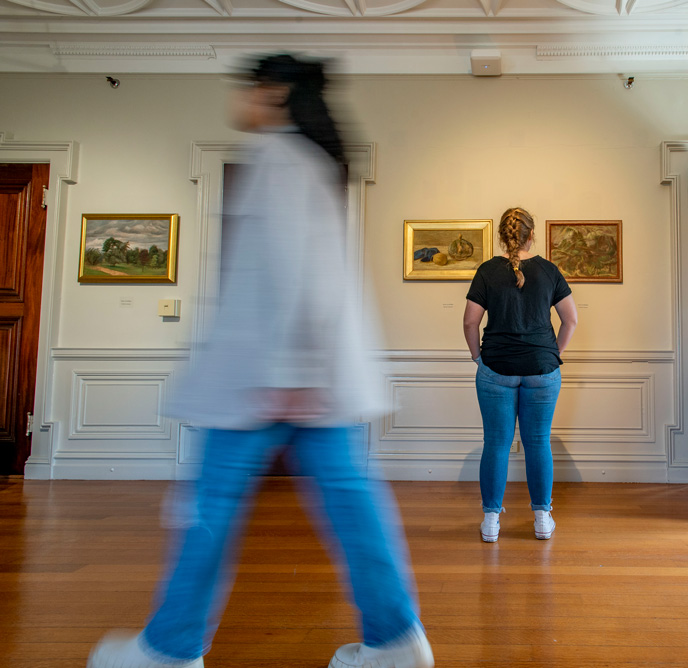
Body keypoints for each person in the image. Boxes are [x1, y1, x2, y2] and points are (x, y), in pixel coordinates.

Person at [87, 54, 433, 668]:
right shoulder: (312, 163)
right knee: (352, 505)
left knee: (209, 510)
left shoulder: (279, 158)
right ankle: (396, 640)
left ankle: (168, 649)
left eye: (244, 88)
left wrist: (285, 376)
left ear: (272, 94)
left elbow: (294, 275)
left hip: (266, 385)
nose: (237, 99)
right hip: (307, 380)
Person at [463, 207, 579, 543]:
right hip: (542, 369)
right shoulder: (548, 270)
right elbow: (570, 320)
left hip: (496, 367)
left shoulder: (487, 271)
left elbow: (471, 322)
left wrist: (477, 357)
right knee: (538, 442)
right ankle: (542, 519)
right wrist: (553, 354)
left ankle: (490, 523)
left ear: (503, 236)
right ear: (531, 236)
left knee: (496, 444)